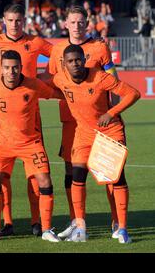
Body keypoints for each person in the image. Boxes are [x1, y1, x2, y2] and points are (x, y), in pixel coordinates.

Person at [0, 3, 53, 237]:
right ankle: (6, 222)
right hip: (1, 114)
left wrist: (47, 76)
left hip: (29, 113)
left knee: (34, 173)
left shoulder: (35, 42)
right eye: (10, 20)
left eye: (18, 20)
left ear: (24, 20)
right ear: (3, 20)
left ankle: (37, 221)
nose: (14, 24)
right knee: (1, 174)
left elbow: (58, 55)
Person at [43, 5, 120, 239]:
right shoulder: (57, 51)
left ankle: (117, 221)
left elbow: (114, 82)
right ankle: (78, 221)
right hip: (70, 121)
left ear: (87, 23)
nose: (76, 26)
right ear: (65, 23)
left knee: (108, 171)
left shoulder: (99, 47)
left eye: (80, 22)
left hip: (100, 122)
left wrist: (114, 111)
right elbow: (52, 83)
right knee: (72, 172)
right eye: (72, 22)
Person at [53, 44, 140, 243]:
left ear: (84, 60)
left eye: (78, 60)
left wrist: (111, 113)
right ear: (64, 65)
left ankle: (122, 228)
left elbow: (133, 93)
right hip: (84, 134)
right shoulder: (60, 79)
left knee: (115, 178)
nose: (75, 64)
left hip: (109, 131)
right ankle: (81, 228)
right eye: (70, 61)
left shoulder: (100, 77)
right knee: (77, 175)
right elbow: (47, 86)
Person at [0, 50, 62, 243]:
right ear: (1, 69)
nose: (12, 72)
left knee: (45, 181)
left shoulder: (34, 85)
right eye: (7, 68)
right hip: (3, 143)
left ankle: (46, 229)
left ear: (20, 68)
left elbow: (57, 94)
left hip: (31, 143)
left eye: (15, 67)